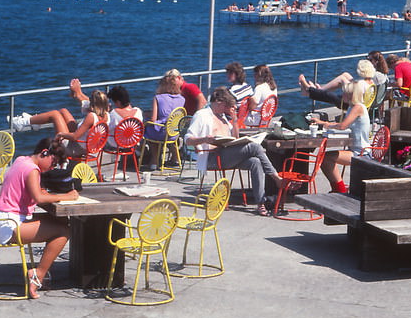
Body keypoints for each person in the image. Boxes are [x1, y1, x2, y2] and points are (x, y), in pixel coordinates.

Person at [0, 137, 74, 299]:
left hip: (4, 220)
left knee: (61, 220)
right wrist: (68, 196)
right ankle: (38, 275)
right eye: (53, 162)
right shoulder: (33, 170)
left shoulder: (21, 160)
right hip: (11, 226)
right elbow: (39, 198)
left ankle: (42, 269)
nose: (53, 167)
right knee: (64, 231)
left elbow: (30, 189)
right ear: (44, 153)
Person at [185, 87, 280, 215]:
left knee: (255, 162)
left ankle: (260, 203)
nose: (226, 109)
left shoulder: (223, 117)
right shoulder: (202, 115)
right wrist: (205, 139)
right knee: (254, 147)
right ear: (218, 102)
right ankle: (275, 177)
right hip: (212, 157)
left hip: (227, 155)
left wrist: (235, 120)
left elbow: (235, 139)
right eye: (226, 106)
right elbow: (188, 140)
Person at [310, 81, 370, 194]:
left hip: (362, 152)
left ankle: (339, 189)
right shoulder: (352, 107)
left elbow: (342, 126)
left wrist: (326, 124)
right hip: (355, 149)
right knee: (325, 158)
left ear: (352, 95)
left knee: (326, 158)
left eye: (345, 93)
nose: (342, 96)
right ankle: (339, 188)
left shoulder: (358, 107)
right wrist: (323, 122)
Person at [8, 77, 92, 134]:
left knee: (54, 114)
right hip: (85, 139)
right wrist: (79, 94)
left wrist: (61, 136)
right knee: (63, 111)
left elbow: (74, 137)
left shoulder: (92, 117)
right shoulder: (102, 113)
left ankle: (22, 122)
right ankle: (35, 122)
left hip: (76, 146)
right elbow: (95, 105)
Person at [143, 72, 185, 170]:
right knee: (160, 129)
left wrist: (146, 121)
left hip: (161, 132)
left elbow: (153, 119)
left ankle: (154, 160)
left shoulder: (158, 98)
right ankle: (175, 159)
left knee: (149, 128)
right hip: (174, 132)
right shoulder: (182, 99)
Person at [298, 58, 377, 108]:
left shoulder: (361, 84)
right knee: (345, 75)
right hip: (359, 102)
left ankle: (309, 89)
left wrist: (346, 85)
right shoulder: (371, 83)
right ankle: (317, 90)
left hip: (349, 104)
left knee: (329, 95)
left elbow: (350, 96)